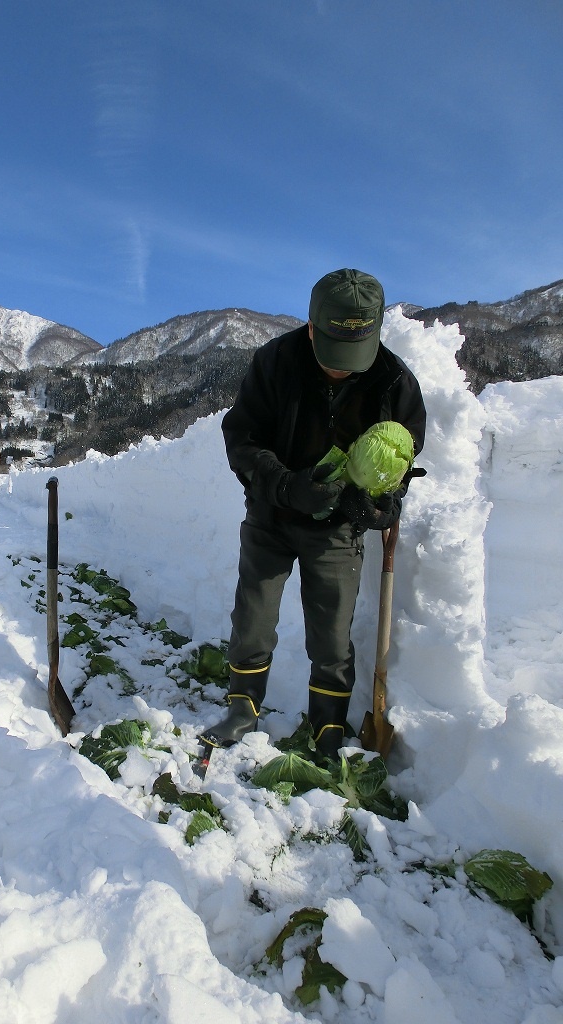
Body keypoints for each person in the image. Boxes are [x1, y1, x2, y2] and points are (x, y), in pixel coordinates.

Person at [202, 268, 426, 759]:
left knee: (332, 633)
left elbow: (402, 460)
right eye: (334, 355)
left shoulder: (393, 380)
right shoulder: (275, 362)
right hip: (272, 517)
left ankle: (327, 723)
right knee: (253, 618)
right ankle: (242, 706)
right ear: (311, 328)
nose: (344, 369)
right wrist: (285, 485)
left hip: (337, 529)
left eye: (355, 357)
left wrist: (379, 502)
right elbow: (242, 438)